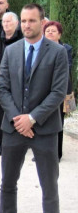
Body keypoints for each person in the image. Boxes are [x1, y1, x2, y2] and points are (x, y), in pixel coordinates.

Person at [0, 3, 68, 213]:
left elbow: (58, 92)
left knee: (49, 185)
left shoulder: (57, 53)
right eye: (23, 21)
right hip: (14, 128)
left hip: (46, 129)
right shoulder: (11, 51)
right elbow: (2, 88)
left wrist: (33, 118)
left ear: (42, 22)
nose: (26, 25)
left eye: (31, 21)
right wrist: (18, 118)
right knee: (8, 184)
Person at [0, 12, 22, 156]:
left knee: (17, 113)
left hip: (18, 85)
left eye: (9, 22)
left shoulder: (22, 41)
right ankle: (0, 145)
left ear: (16, 24)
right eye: (4, 22)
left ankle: (18, 142)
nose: (6, 24)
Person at [42, 21, 73, 161]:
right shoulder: (40, 49)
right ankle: (42, 152)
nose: (50, 33)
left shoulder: (66, 49)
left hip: (59, 90)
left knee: (57, 121)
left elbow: (66, 68)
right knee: (42, 120)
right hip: (43, 90)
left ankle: (57, 153)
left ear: (59, 34)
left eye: (53, 31)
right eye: (47, 30)